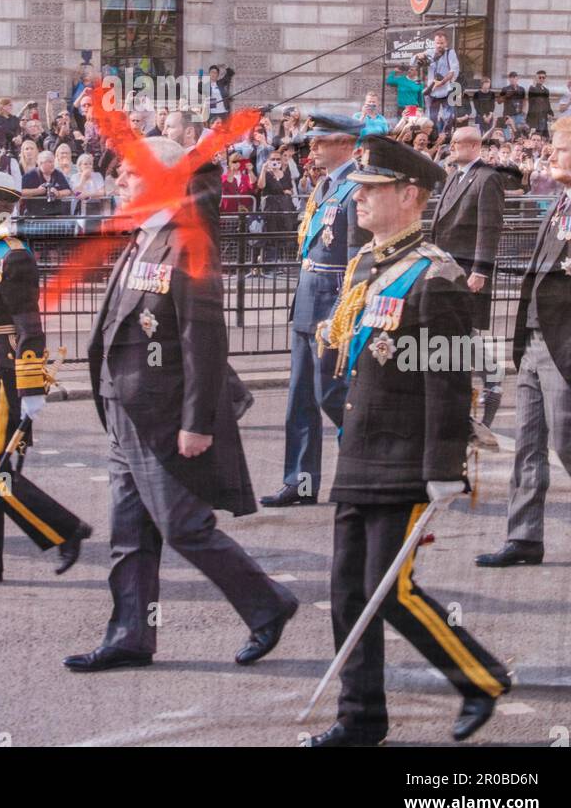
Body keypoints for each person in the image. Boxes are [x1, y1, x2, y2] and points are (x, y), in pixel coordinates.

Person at [65, 136, 298, 673]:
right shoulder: (143, 235)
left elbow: (203, 338)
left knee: (183, 526)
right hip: (124, 406)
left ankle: (267, 604)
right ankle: (130, 636)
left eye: (130, 173)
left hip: (165, 413)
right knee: (129, 535)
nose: (119, 181)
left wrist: (197, 422)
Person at [309, 134, 511, 747]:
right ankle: (361, 718)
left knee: (387, 589)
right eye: (358, 189)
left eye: (372, 190)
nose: (358, 199)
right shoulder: (367, 265)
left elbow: (449, 382)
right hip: (360, 446)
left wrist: (444, 468)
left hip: (406, 453)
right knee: (349, 593)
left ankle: (480, 678)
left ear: (410, 195)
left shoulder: (435, 276)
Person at [0, 168, 90, 584]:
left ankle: (64, 530)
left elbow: (30, 326)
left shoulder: (15, 256)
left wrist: (30, 388)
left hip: (5, 372)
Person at [477, 115, 571, 569]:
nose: (549, 155)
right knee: (527, 442)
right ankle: (524, 537)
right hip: (537, 341)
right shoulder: (564, 203)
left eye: (559, 148)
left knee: (570, 442)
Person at [260, 116, 367, 509]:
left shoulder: (357, 187)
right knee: (301, 399)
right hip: (308, 299)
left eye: (320, 141)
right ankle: (300, 482)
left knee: (332, 395)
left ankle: (372, 458)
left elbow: (358, 257)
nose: (312, 148)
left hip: (332, 305)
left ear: (345, 143)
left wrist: (347, 311)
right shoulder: (324, 186)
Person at [430, 126, 507, 446]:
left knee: (469, 337)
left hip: (468, 273)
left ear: (473, 146)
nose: (451, 147)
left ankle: (491, 392)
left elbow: (489, 228)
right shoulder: (454, 175)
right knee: (458, 339)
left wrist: (481, 270)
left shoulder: (487, 178)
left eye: (456, 143)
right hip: (447, 270)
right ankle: (470, 403)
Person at [423, 33, 460, 130]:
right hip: (432, 91)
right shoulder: (429, 53)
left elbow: (453, 70)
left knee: (449, 117)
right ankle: (432, 137)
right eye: (437, 43)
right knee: (431, 117)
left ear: (446, 43)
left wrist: (442, 82)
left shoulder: (450, 53)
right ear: (434, 43)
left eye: (441, 43)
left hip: (446, 90)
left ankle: (446, 136)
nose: (439, 45)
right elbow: (414, 62)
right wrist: (420, 55)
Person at [526, 70, 553, 137]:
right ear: (536, 78)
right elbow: (532, 98)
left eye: (543, 77)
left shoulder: (546, 90)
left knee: (544, 137)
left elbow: (547, 102)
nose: (541, 79)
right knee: (534, 136)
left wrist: (550, 112)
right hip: (535, 118)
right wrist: (535, 83)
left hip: (543, 117)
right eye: (540, 77)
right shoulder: (532, 88)